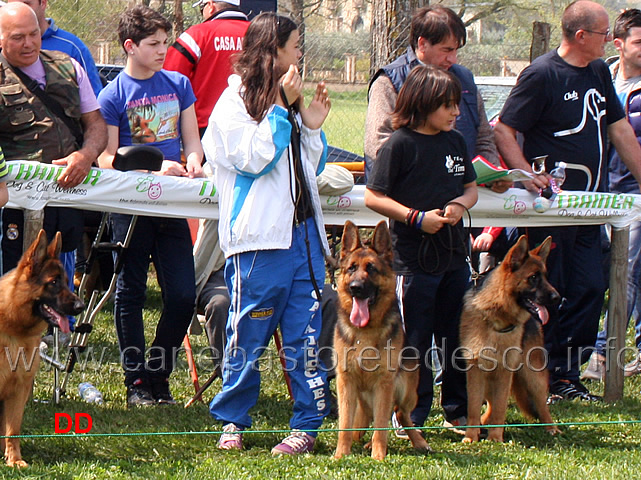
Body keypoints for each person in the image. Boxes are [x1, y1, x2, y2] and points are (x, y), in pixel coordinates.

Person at [494, 0, 641, 401]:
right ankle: (543, 377)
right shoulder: (541, 75)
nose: (610, 40)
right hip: (550, 212)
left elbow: (620, 131)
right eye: (602, 33)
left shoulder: (597, 72)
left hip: (590, 208)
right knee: (550, 292)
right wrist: (528, 174)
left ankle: (567, 375)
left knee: (591, 287)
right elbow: (504, 130)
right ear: (580, 36)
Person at [202, 12, 331, 455]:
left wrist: (310, 124)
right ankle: (233, 422)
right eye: (295, 46)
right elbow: (255, 159)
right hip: (258, 244)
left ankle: (307, 426)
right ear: (273, 51)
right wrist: (282, 108)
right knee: (248, 337)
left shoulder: (288, 100)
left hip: (305, 240)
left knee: (306, 336)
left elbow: (307, 168)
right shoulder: (231, 104)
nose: (300, 54)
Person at [97, 5, 203, 407]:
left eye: (166, 42)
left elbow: (192, 141)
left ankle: (158, 373)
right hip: (130, 206)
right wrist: (152, 169)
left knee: (181, 295)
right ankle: (136, 383)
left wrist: (194, 160)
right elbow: (106, 159)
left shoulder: (178, 84)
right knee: (131, 293)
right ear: (130, 46)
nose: (163, 51)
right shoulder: (113, 95)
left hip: (174, 205)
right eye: (154, 44)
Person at [364, 64, 478, 434]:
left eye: (457, 105)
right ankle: (412, 414)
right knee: (415, 340)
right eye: (448, 106)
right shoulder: (399, 144)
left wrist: (461, 204)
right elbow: (372, 196)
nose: (456, 113)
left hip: (454, 259)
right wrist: (415, 218)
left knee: (455, 336)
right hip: (413, 262)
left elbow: (470, 189)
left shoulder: (456, 142)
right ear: (423, 102)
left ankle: (457, 410)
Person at [0, 2, 106, 275]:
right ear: (1, 38)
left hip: (65, 201)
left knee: (59, 285)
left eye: (33, 34)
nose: (28, 43)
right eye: (17, 37)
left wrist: (86, 155)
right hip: (12, 209)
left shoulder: (68, 66)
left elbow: (96, 124)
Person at [364, 5, 505, 189]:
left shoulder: (465, 80)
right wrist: (434, 170)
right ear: (422, 44)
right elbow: (378, 145)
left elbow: (483, 137)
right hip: (403, 199)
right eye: (446, 50)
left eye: (456, 50)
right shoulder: (389, 82)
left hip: (461, 197)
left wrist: (493, 172)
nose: (453, 59)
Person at [583, 8, 641, 382]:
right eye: (638, 41)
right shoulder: (599, 77)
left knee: (628, 270)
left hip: (635, 192)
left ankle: (603, 356)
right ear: (618, 44)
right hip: (599, 190)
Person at [164, 0, 249, 137]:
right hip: (251, 126)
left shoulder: (196, 35)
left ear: (210, 6)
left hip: (203, 128)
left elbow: (169, 77)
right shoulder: (259, 35)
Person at [6, 0, 103, 95]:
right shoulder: (4, 45)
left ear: (43, 3)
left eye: (27, 4)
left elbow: (93, 99)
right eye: (14, 5)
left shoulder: (71, 46)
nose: (21, 10)